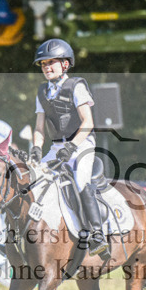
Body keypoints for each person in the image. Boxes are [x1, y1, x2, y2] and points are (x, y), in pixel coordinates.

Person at [29, 38, 110, 261]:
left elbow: (88, 123)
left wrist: (72, 146)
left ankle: (96, 234)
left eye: (51, 63)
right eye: (43, 64)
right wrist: (37, 149)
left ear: (65, 64)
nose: (46, 67)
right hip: (56, 147)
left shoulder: (76, 86)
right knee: (30, 181)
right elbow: (39, 127)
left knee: (81, 181)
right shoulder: (42, 91)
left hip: (82, 144)